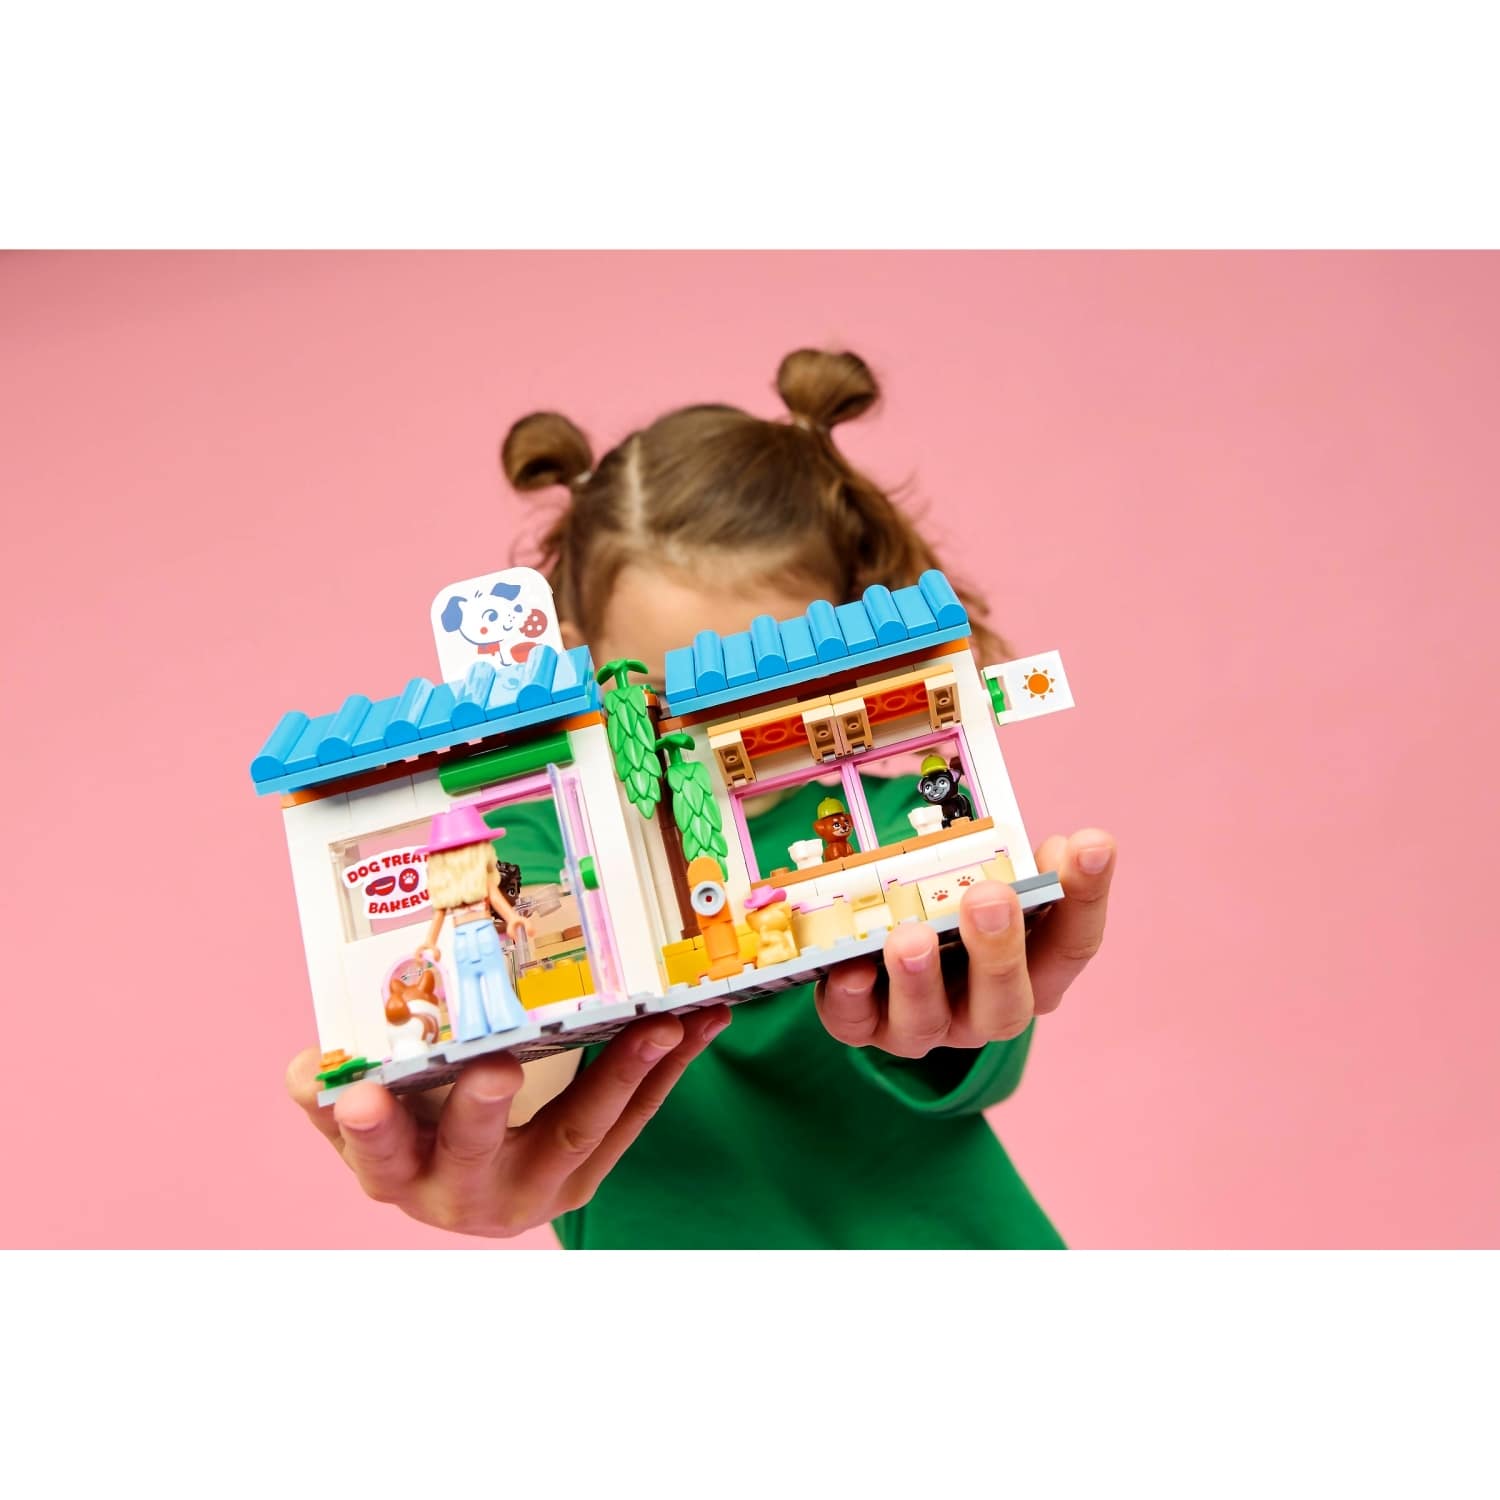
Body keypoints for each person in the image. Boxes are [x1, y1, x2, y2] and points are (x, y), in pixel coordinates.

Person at [286, 348, 1117, 1248]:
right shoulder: (533, 841)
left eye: (769, 691)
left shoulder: (890, 823)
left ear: (845, 652)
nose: (713, 747)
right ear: (575, 667)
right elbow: (520, 1052)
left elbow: (979, 1042)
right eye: (659, 697)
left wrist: (964, 997)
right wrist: (467, 1106)